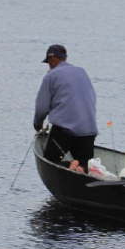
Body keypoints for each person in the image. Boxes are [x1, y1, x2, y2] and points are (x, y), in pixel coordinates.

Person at [33, 44, 98, 174]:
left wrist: (38, 125)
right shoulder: (82, 71)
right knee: (85, 165)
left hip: (64, 130)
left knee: (50, 162)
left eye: (49, 63)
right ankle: (79, 166)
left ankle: (72, 166)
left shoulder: (51, 76)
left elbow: (41, 107)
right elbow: (92, 97)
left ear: (52, 60)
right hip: (89, 130)